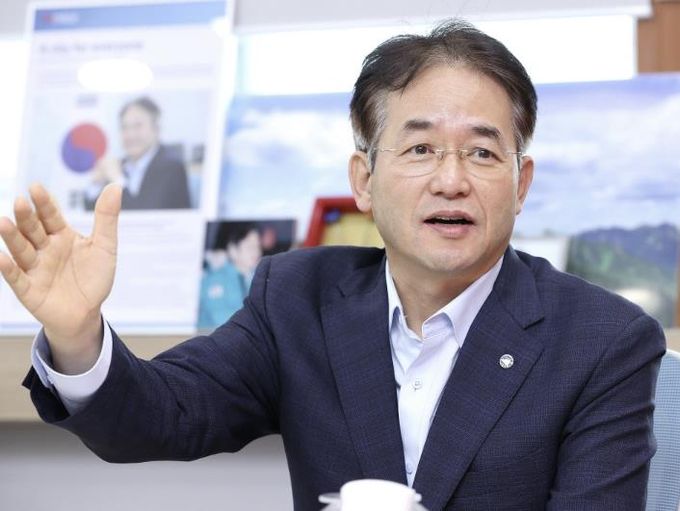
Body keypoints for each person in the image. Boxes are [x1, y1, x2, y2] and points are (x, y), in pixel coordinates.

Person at [0, 19, 665, 510]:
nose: (452, 180)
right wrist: (77, 333)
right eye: (420, 149)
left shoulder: (603, 341)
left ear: (521, 184)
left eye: (483, 153)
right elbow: (161, 415)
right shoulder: (298, 297)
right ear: (363, 180)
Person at [86, 96, 192, 210]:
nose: (130, 135)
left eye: (138, 126)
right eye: (124, 127)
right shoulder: (119, 166)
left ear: (156, 129)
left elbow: (144, 214)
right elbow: (93, 212)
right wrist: (96, 184)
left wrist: (117, 180)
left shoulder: (173, 168)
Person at [198, 223, 263, 329]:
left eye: (258, 246)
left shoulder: (259, 278)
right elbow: (221, 320)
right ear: (233, 250)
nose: (256, 252)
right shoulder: (215, 279)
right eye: (250, 247)